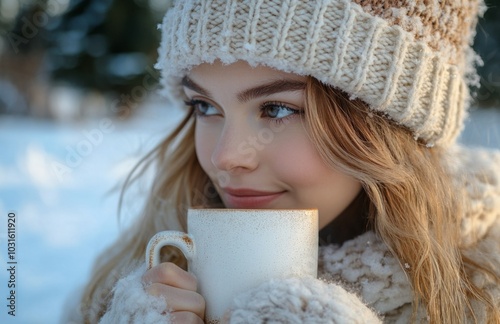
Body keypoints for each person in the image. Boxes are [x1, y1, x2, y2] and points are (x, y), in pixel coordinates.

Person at [69, 0, 500, 323]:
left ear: (388, 127)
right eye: (204, 106)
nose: (225, 158)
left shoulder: (484, 288)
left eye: (277, 109)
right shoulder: (142, 265)